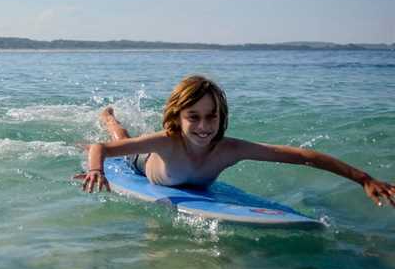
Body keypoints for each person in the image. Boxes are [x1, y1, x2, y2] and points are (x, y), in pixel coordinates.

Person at [76, 75, 395, 208]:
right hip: (145, 163)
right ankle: (109, 118)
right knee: (122, 140)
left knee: (127, 140)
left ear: (222, 116)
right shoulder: (166, 141)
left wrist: (363, 179)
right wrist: (96, 170)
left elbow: (302, 156)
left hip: (178, 177)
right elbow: (99, 149)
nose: (204, 126)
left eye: (211, 116)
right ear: (178, 117)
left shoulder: (230, 150)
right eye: (194, 116)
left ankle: (112, 121)